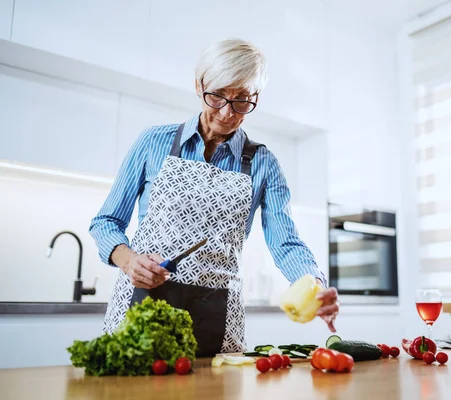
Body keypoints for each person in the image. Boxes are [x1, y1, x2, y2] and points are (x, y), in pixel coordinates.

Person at [89, 38, 339, 357]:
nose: (226, 112)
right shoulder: (153, 142)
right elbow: (105, 223)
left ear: (255, 97)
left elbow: (285, 242)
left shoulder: (264, 164)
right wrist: (128, 261)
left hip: (217, 312)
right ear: (199, 85)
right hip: (143, 299)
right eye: (218, 96)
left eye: (242, 101)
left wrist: (314, 286)